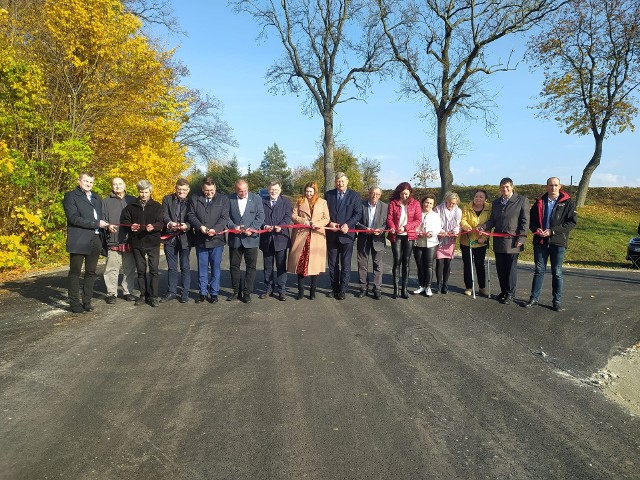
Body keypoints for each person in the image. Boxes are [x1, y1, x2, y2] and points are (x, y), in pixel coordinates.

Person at [525, 177, 577, 311]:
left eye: (555, 185)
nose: (553, 187)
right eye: (550, 185)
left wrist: (552, 231)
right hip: (541, 241)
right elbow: (531, 220)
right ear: (546, 187)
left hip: (558, 242)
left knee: (557, 272)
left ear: (560, 187)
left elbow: (571, 222)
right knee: (539, 271)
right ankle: (534, 298)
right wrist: (536, 229)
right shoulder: (539, 202)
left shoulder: (568, 203)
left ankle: (556, 301)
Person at [63, 173, 111, 313]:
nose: (88, 184)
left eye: (91, 182)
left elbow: (100, 217)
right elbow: (73, 218)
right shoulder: (71, 196)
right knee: (75, 272)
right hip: (79, 239)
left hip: (95, 239)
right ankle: (74, 304)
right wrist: (97, 223)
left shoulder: (96, 197)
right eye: (86, 181)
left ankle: (87, 302)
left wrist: (107, 225)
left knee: (91, 272)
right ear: (79, 181)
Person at [479, 177, 530, 305]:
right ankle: (503, 291)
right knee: (500, 268)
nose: (505, 189)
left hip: (513, 241)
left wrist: (522, 237)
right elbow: (493, 220)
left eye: (507, 187)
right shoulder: (496, 203)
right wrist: (484, 226)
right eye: (502, 187)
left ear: (512, 187)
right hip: (499, 240)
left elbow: (525, 221)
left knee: (510, 268)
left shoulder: (522, 200)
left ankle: (510, 293)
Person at [120, 179, 164, 307]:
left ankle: (154, 296)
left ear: (150, 192)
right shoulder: (131, 207)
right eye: (141, 192)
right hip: (137, 242)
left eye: (146, 192)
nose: (143, 194)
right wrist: (131, 226)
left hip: (153, 242)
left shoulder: (157, 206)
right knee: (140, 271)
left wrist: (154, 227)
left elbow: (161, 222)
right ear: (138, 192)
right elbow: (125, 221)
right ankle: (143, 295)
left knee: (154, 270)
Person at [186, 177, 229, 304]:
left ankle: (214, 292)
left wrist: (215, 229)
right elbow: (190, 215)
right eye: (206, 190)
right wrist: (200, 227)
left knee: (215, 268)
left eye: (211, 190)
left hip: (216, 239)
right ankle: (202, 292)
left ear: (215, 188)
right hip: (201, 238)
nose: (209, 192)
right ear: (202, 188)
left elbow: (224, 217)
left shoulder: (223, 199)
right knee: (202, 268)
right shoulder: (195, 198)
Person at [287, 182, 330, 299]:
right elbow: (293, 215)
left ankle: (312, 291)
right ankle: (300, 291)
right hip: (302, 235)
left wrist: (318, 224)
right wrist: (303, 221)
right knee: (300, 264)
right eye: (307, 191)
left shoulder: (323, 202)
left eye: (311, 191)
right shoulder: (299, 201)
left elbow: (327, 218)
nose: (308, 194)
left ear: (315, 192)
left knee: (314, 265)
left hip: (316, 236)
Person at [227, 179, 265, 303]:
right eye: (240, 191)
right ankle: (235, 291)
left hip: (251, 239)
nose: (243, 193)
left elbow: (261, 216)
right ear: (235, 190)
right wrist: (233, 226)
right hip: (235, 239)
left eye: (245, 191)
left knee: (251, 267)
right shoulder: (229, 199)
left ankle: (247, 292)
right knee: (234, 266)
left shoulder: (256, 199)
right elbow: (225, 216)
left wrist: (253, 229)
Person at [325, 172, 362, 300]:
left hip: (347, 235)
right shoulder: (328, 195)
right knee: (333, 264)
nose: (340, 183)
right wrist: (330, 223)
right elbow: (324, 213)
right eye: (338, 181)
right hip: (332, 234)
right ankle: (334, 288)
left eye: (342, 181)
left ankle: (343, 290)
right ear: (335, 182)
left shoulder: (354, 195)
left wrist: (348, 224)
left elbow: (358, 214)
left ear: (347, 181)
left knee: (345, 264)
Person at [102, 177, 137, 304]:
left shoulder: (132, 200)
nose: (118, 186)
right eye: (115, 184)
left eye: (120, 184)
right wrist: (107, 226)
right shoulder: (105, 201)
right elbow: (102, 218)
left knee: (129, 268)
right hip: (113, 239)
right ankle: (111, 293)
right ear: (112, 186)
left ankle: (128, 292)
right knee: (111, 268)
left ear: (125, 185)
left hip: (129, 239)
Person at [386, 182, 421, 299]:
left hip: (409, 235)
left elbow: (417, 220)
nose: (404, 196)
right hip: (396, 235)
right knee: (397, 260)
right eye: (402, 194)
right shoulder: (393, 203)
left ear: (410, 193)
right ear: (399, 193)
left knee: (406, 260)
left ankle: (404, 288)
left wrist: (405, 227)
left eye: (406, 194)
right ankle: (395, 288)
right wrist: (392, 227)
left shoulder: (415, 204)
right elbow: (389, 218)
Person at [161, 178, 193, 303]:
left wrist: (187, 225)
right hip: (170, 237)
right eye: (179, 189)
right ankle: (172, 291)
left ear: (188, 190)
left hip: (185, 238)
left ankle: (185, 292)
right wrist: (169, 223)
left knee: (185, 266)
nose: (181, 192)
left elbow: (194, 217)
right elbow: (163, 214)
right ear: (175, 188)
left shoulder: (191, 201)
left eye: (184, 190)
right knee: (172, 267)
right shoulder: (167, 199)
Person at [259, 180, 292, 301]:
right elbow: (259, 217)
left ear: (280, 190)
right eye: (272, 190)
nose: (274, 192)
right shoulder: (262, 202)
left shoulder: (286, 202)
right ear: (268, 190)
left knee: (281, 265)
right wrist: (264, 226)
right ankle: (269, 289)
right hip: (267, 238)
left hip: (281, 238)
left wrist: (281, 226)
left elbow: (288, 216)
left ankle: (282, 290)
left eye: (276, 190)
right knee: (268, 266)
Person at [355, 186, 388, 299]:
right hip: (364, 237)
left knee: (377, 264)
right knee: (362, 263)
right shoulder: (361, 205)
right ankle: (363, 287)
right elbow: (356, 221)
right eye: (373, 193)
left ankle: (377, 288)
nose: (375, 196)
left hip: (378, 239)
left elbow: (386, 223)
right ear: (369, 193)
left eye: (377, 194)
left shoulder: (384, 206)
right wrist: (365, 228)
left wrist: (381, 230)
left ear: (380, 195)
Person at [460, 189, 492, 296]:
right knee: (468, 264)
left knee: (480, 265)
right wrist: (466, 227)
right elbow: (462, 220)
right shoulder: (466, 207)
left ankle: (482, 287)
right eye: (476, 196)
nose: (478, 198)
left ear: (485, 199)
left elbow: (490, 224)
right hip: (467, 241)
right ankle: (468, 287)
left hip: (481, 241)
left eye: (481, 197)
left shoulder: (489, 209)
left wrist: (483, 238)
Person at [413, 194, 442, 297]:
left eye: (430, 203)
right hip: (418, 242)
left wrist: (431, 232)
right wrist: (418, 232)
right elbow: (412, 226)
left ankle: (428, 286)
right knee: (420, 265)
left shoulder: (435, 215)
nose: (428, 205)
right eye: (426, 202)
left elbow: (438, 227)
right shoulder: (417, 213)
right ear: (423, 202)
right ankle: (421, 285)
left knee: (428, 266)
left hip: (431, 243)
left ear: (433, 205)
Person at [433, 192, 462, 294]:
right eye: (450, 202)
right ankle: (438, 284)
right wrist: (441, 231)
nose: (451, 205)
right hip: (440, 238)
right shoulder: (438, 209)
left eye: (453, 203)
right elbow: (435, 223)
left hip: (450, 240)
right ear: (446, 200)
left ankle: (445, 284)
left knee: (447, 262)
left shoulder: (458, 211)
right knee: (439, 261)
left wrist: (456, 231)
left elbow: (458, 224)